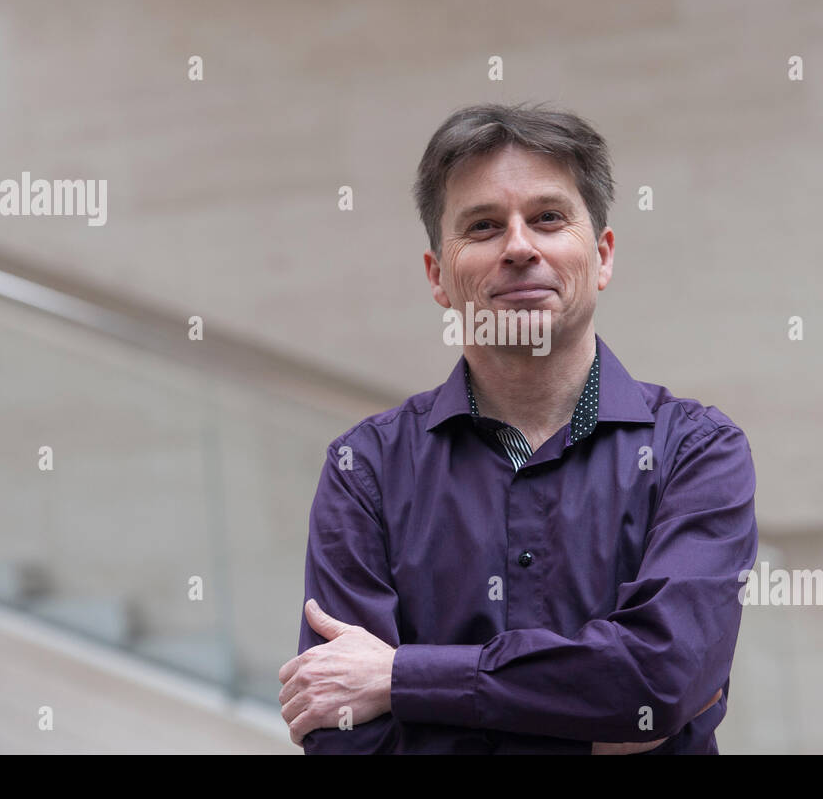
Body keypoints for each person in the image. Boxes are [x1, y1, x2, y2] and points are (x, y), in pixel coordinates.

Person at [279, 102, 758, 753]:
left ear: (604, 254)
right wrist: (593, 724)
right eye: (482, 226)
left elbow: (657, 680)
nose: (519, 246)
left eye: (548, 218)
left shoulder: (697, 452)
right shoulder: (365, 469)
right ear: (437, 277)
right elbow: (341, 734)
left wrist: (400, 678)